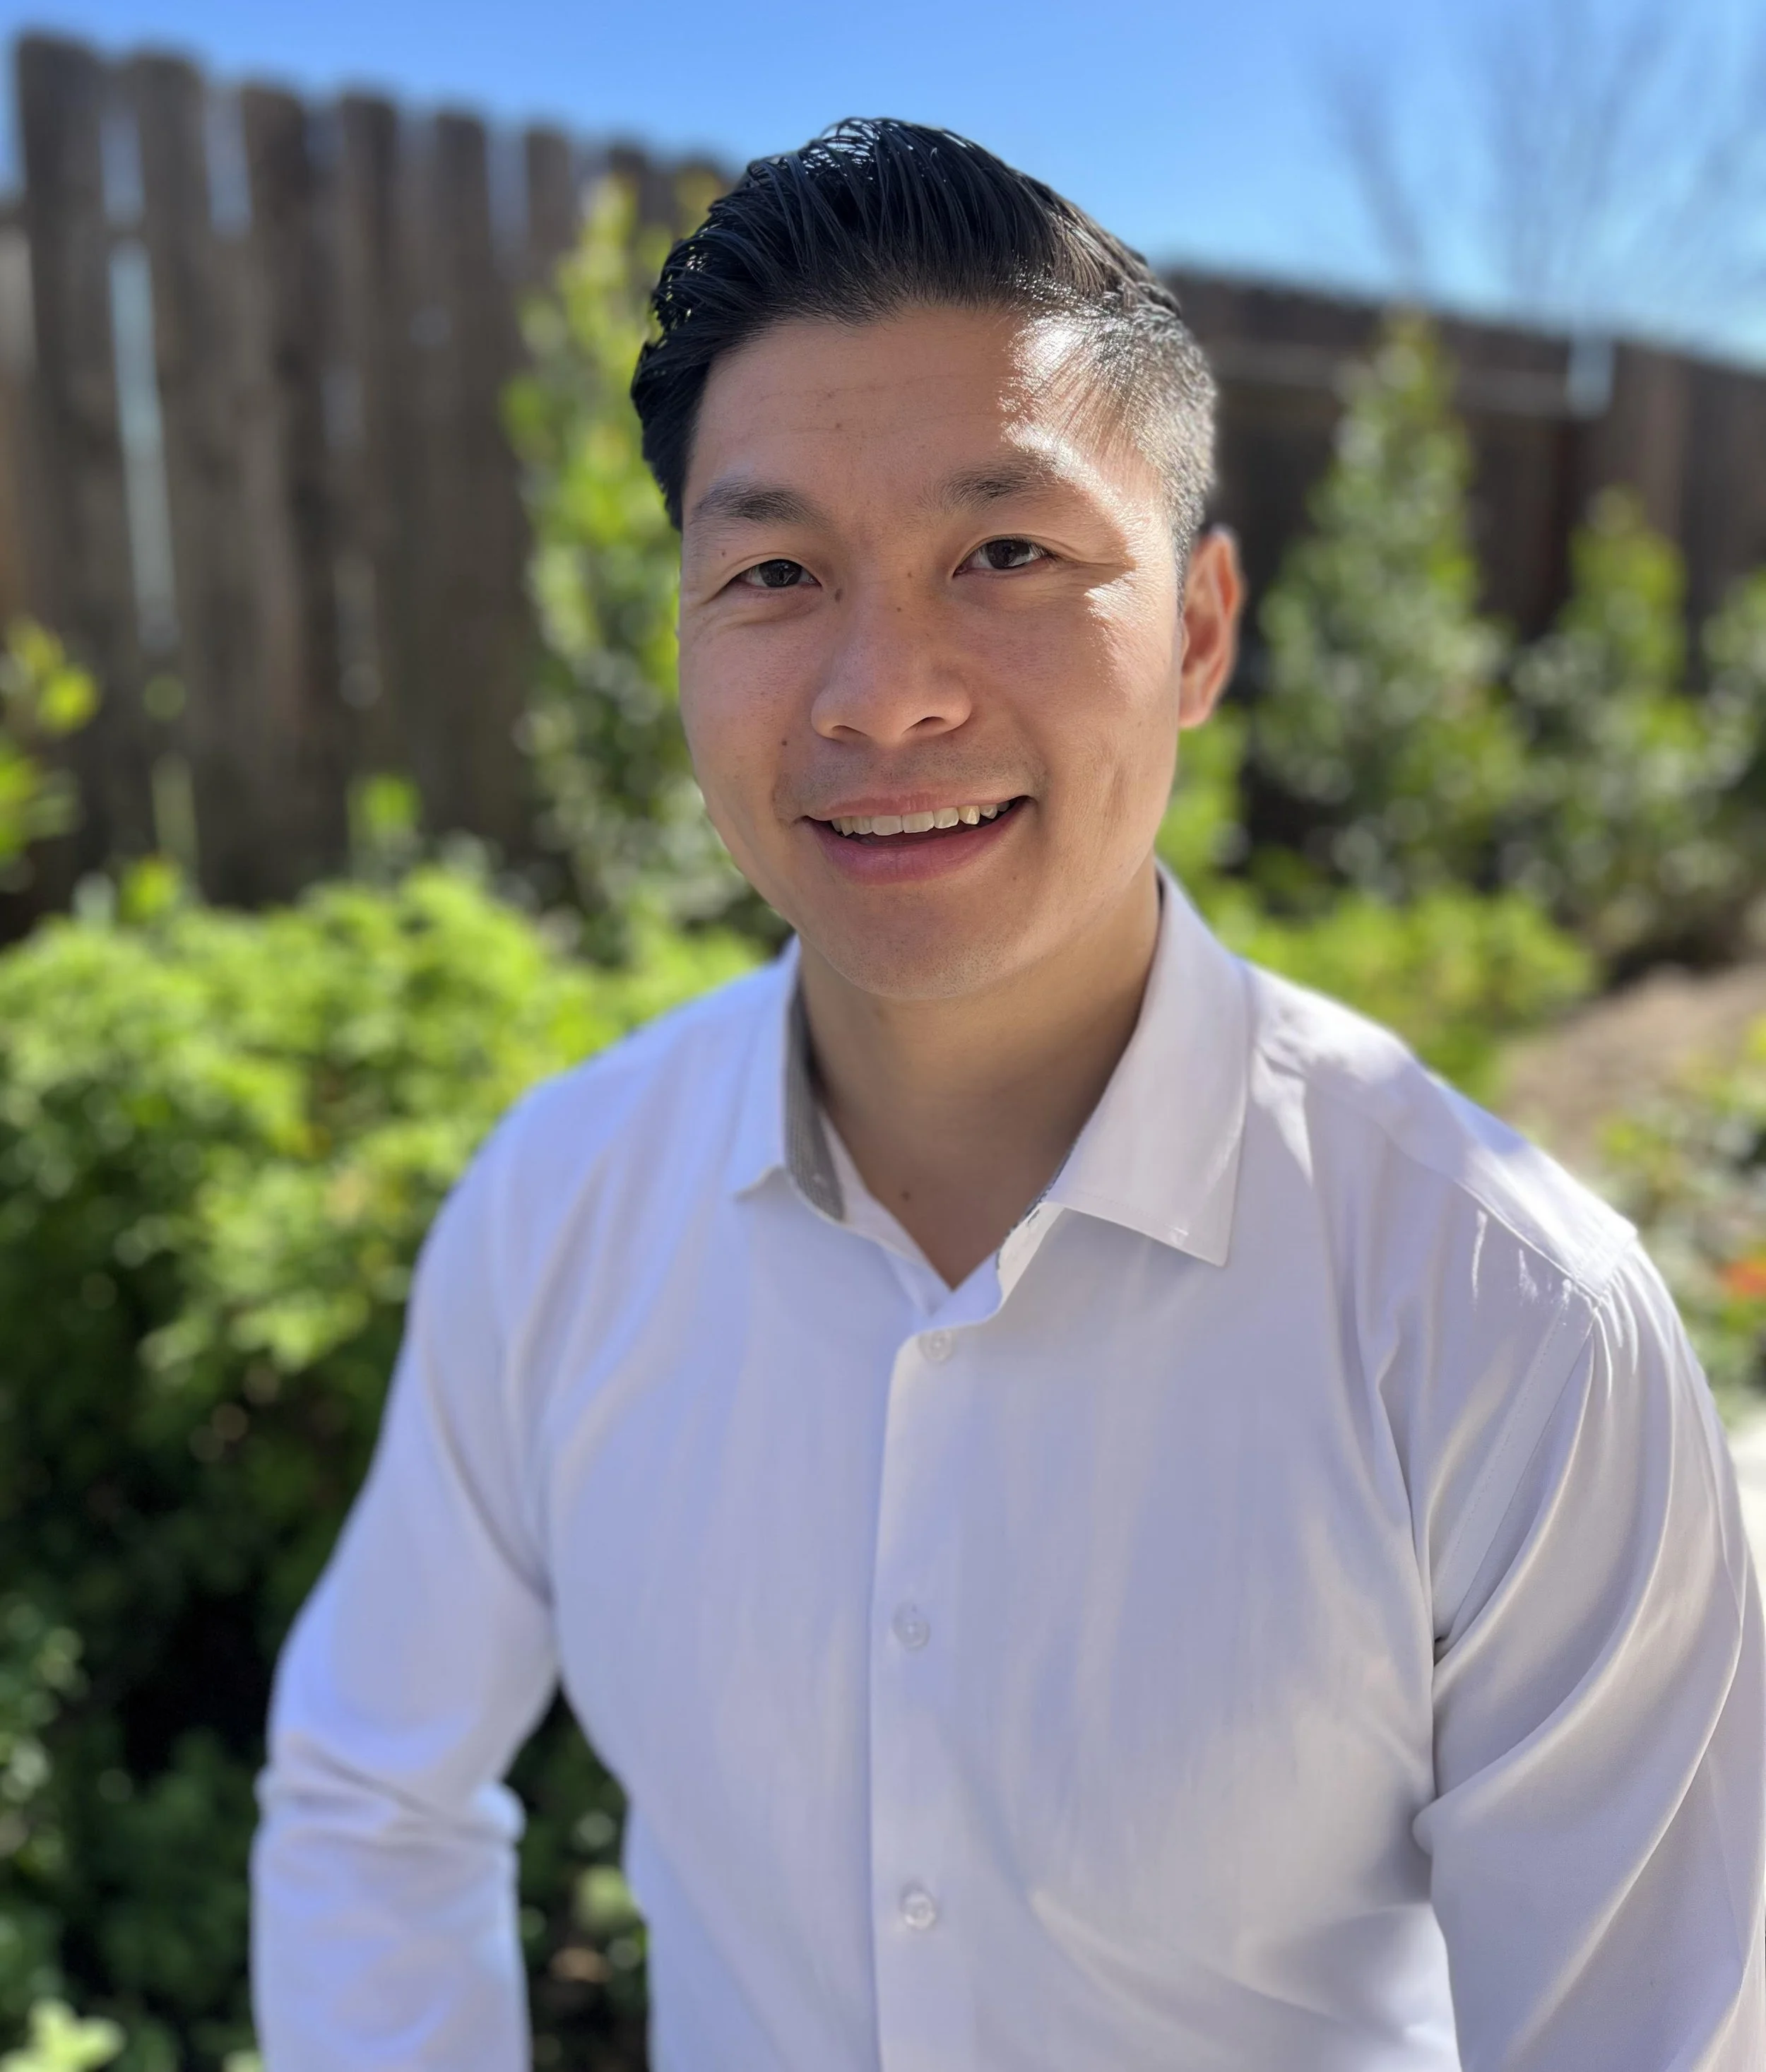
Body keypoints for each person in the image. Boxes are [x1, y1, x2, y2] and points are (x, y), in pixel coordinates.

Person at [251, 121, 1765, 2071]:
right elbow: (372, 1791)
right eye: (777, 568)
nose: (883, 694)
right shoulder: (559, 1211)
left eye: (1005, 552)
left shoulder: (1500, 1314)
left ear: (1199, 630)